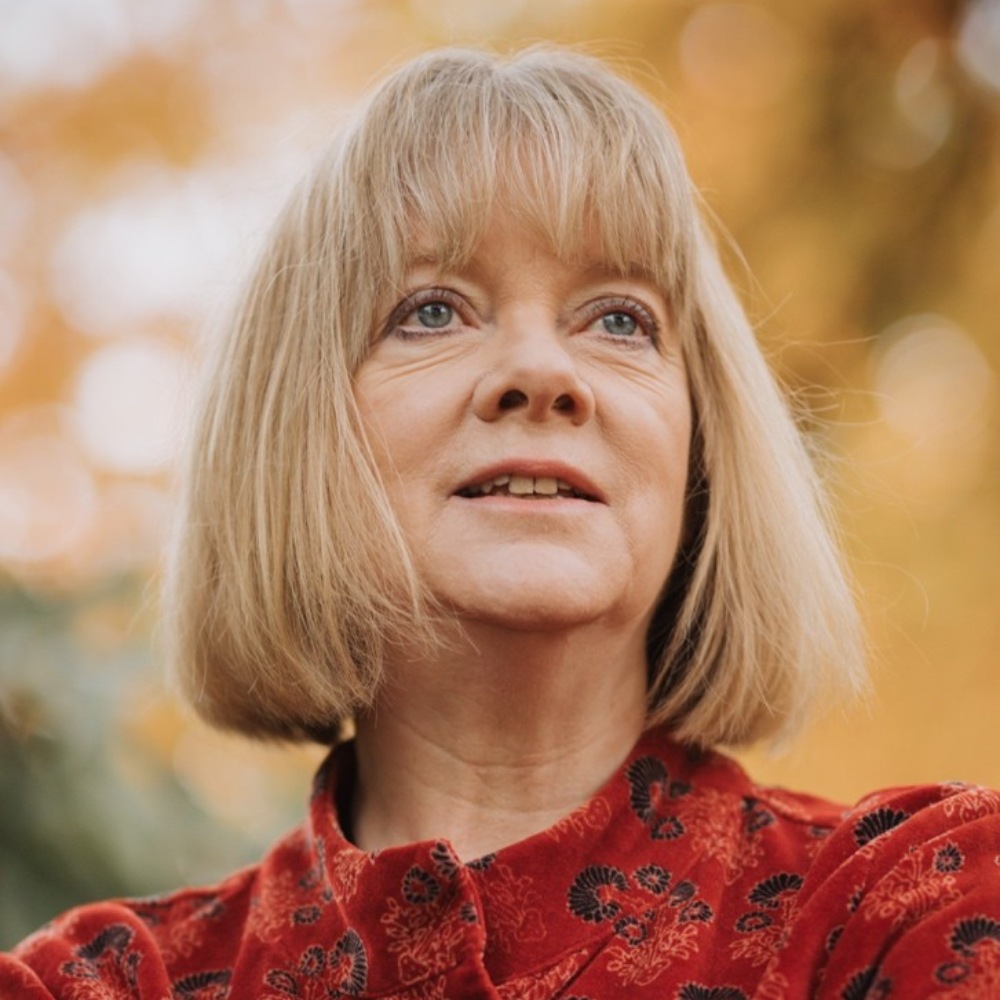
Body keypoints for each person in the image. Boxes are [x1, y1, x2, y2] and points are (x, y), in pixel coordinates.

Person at [3, 46, 998, 1000]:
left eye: (618, 319)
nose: (541, 373)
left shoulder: (916, 911)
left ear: (703, 450)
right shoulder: (101, 984)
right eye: (431, 310)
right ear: (297, 436)